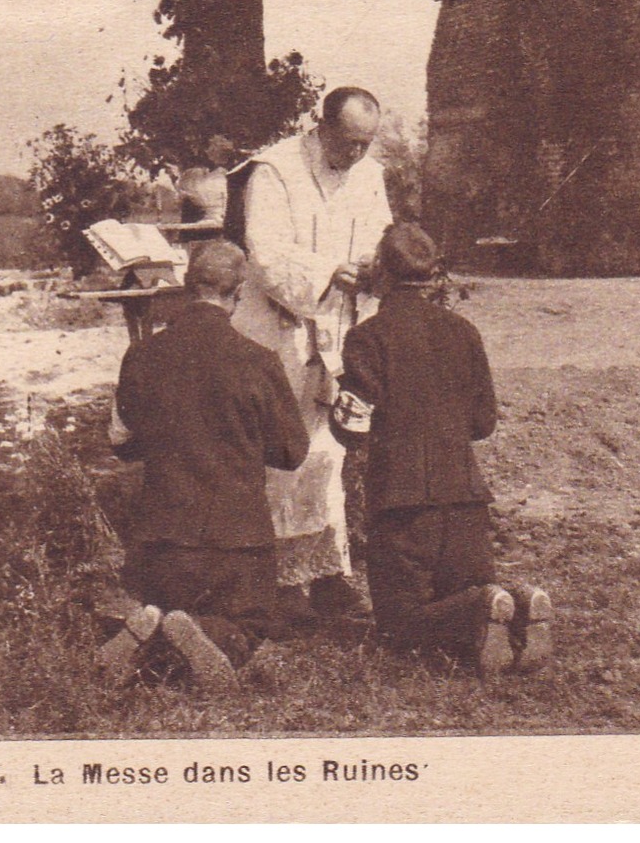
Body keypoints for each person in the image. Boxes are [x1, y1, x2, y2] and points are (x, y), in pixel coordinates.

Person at [330, 222, 553, 674]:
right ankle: (517, 603)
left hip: (402, 503)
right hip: (467, 499)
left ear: (383, 275)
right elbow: (483, 421)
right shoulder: (464, 332)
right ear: (431, 275)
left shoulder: (367, 338)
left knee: (397, 627)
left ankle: (481, 608)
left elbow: (353, 428)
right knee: (461, 592)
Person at [100, 241, 310, 689]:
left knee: (172, 612)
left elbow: (121, 441)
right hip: (237, 544)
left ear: (186, 289)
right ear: (236, 296)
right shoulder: (259, 360)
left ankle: (151, 630)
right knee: (254, 627)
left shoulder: (141, 356)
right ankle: (207, 634)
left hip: (161, 544)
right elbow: (292, 452)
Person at [229, 86, 393, 617]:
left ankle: (326, 573)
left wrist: (374, 264)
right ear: (320, 127)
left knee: (329, 451)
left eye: (365, 144)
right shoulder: (274, 170)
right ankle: (278, 581)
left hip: (342, 324)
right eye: (347, 143)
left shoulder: (368, 173)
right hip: (284, 327)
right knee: (284, 448)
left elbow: (380, 231)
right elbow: (266, 249)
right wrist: (327, 273)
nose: (355, 156)